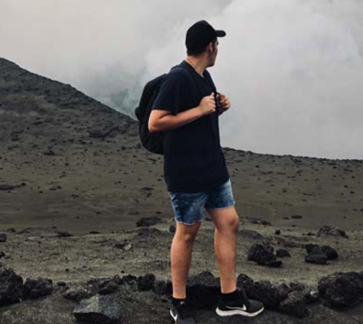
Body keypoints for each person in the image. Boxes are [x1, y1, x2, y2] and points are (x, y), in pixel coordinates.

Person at [149, 20, 265, 324]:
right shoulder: (177, 79)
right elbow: (155, 122)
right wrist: (200, 110)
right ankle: (179, 302)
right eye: (217, 44)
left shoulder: (205, 77)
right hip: (187, 173)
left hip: (213, 169)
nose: (218, 49)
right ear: (209, 47)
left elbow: (200, 114)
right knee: (187, 233)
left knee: (229, 222)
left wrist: (218, 106)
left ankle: (229, 298)